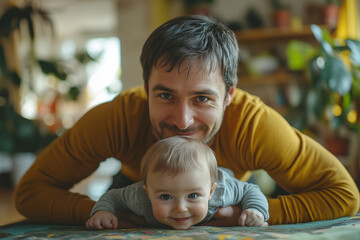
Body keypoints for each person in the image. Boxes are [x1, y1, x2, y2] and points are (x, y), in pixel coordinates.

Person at [15, 15, 359, 226]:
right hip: (136, 190)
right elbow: (30, 193)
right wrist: (107, 215)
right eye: (165, 95)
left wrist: (256, 212)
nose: (182, 121)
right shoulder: (117, 118)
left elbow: (344, 195)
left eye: (203, 99)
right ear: (145, 88)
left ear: (229, 95)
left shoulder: (253, 125)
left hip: (225, 195)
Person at [86, 136, 269, 230]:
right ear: (148, 193)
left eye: (193, 196)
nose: (180, 208)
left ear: (211, 192)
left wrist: (255, 209)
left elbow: (250, 190)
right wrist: (103, 211)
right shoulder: (138, 197)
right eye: (166, 196)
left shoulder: (222, 190)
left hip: (224, 175)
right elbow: (112, 196)